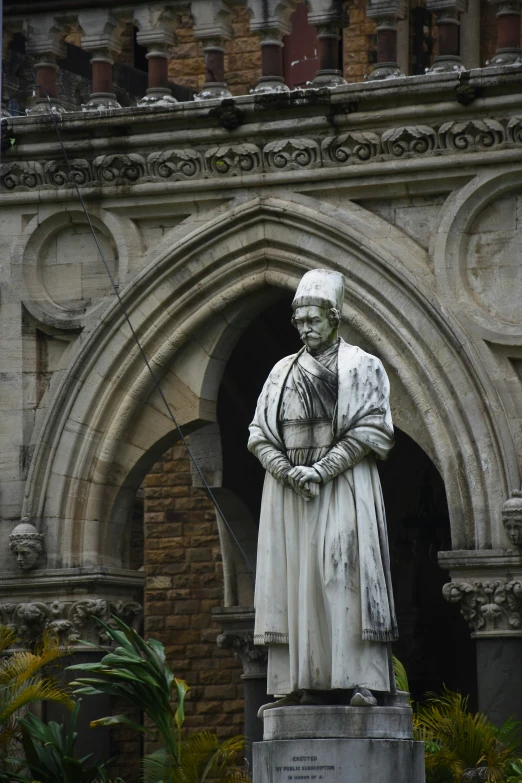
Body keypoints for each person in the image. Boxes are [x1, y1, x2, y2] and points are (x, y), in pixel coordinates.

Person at [248, 269, 398, 706]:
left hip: (343, 487)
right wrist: (284, 469)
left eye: (314, 319)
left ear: (335, 317)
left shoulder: (363, 366)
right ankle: (300, 682)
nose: (306, 328)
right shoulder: (280, 371)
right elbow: (258, 431)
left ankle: (359, 680)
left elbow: (374, 430)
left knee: (342, 574)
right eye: (300, 322)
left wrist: (322, 469)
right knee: (297, 582)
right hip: (290, 492)